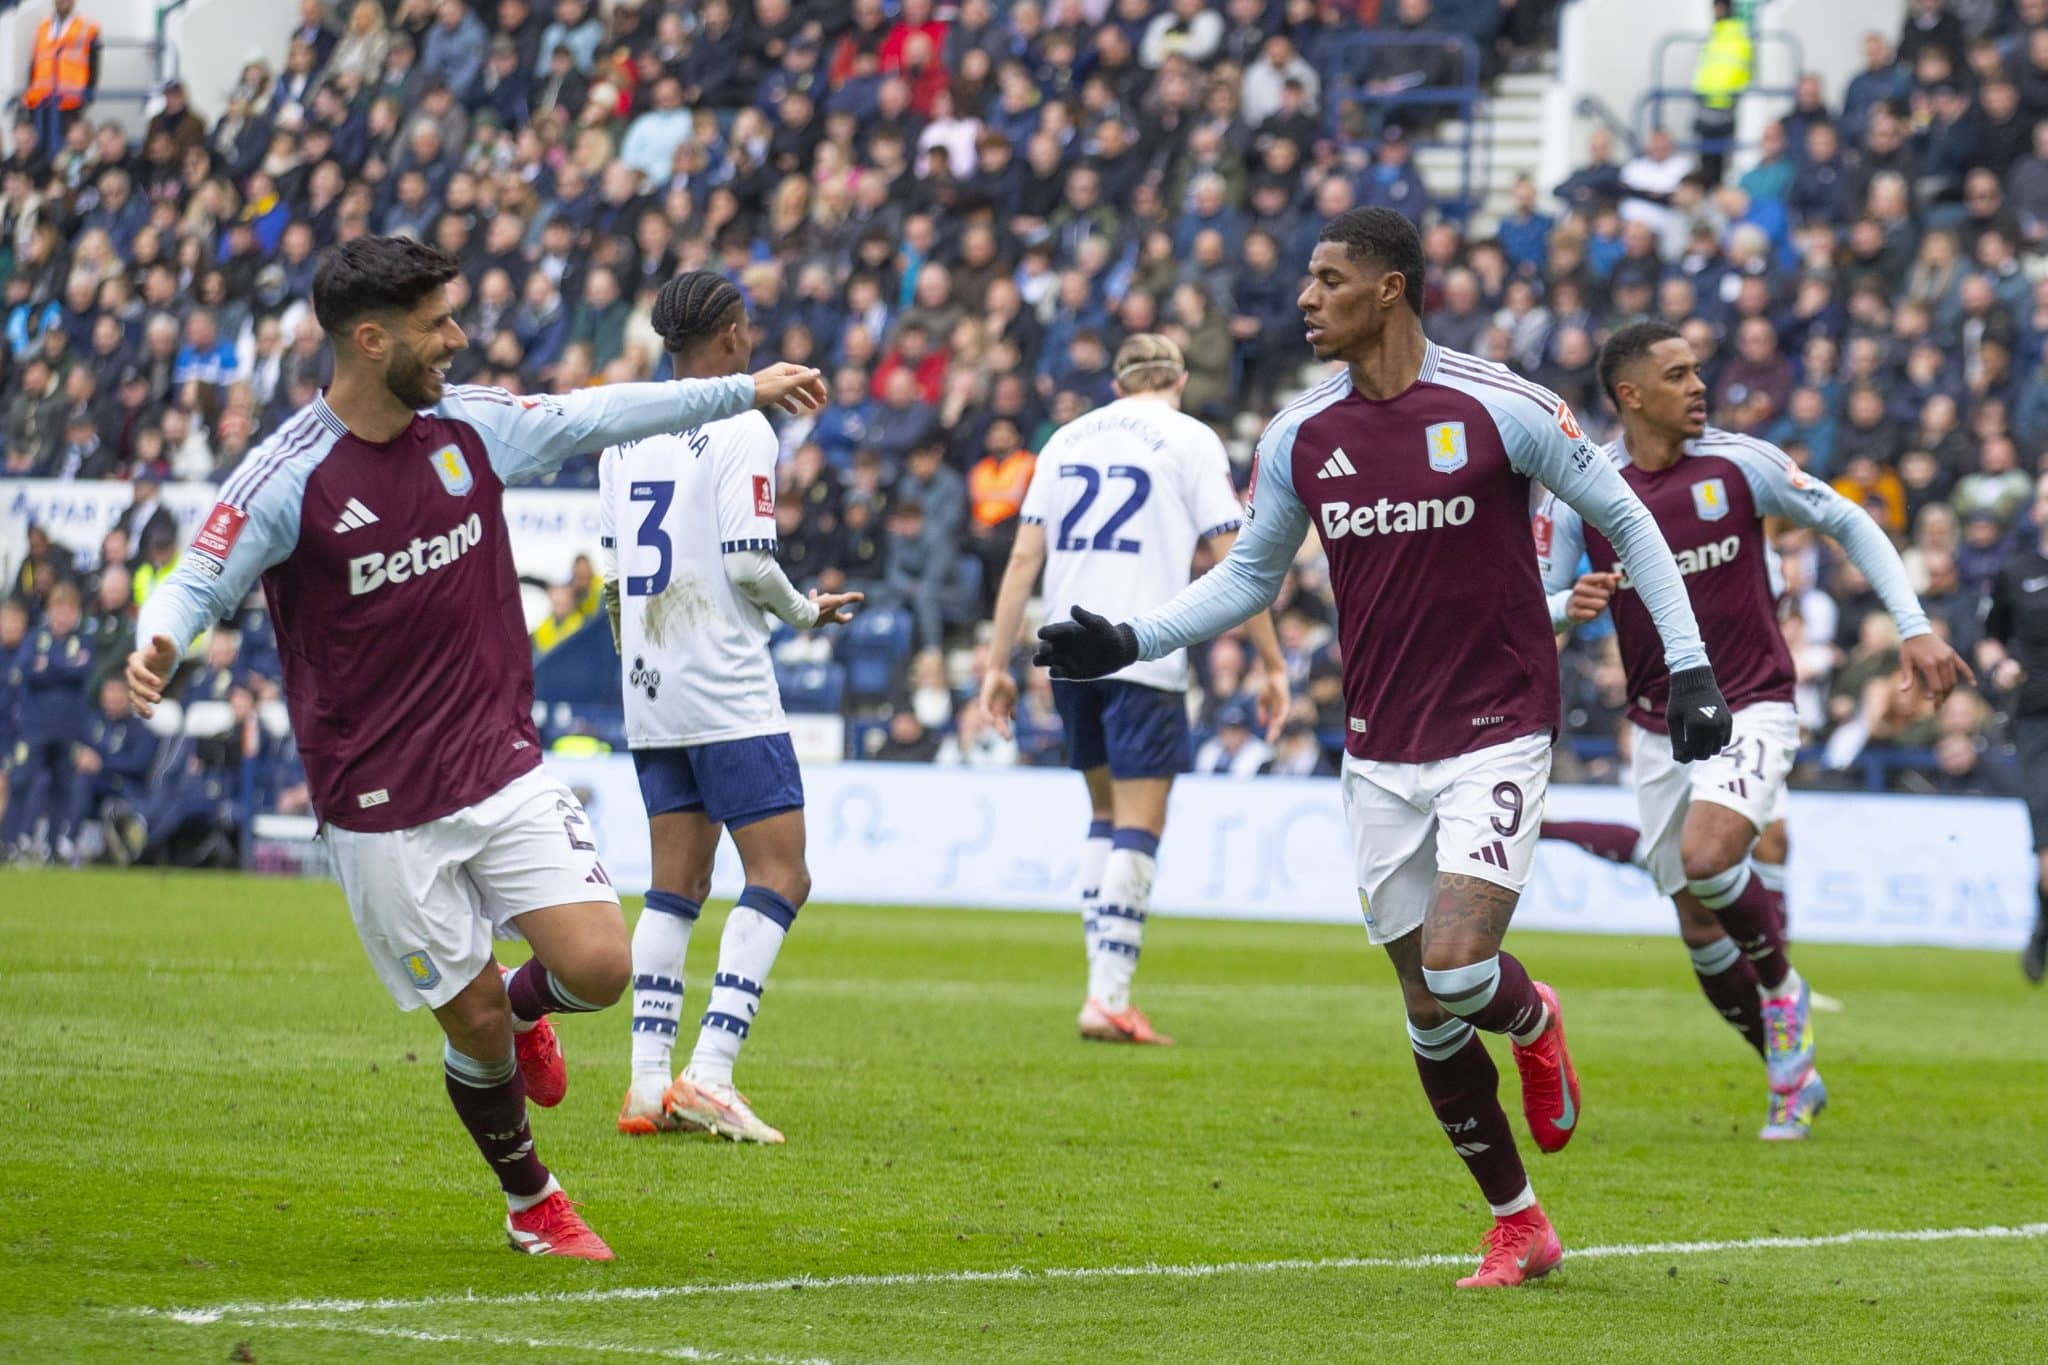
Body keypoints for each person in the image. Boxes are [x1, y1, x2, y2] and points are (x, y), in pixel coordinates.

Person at [1033, 208, 1732, 1288]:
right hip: (1379, 746)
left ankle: (1533, 1015)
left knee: (1459, 968)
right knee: (1425, 1008)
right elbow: (1249, 576)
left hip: (1497, 727)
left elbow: (1627, 520)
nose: (1305, 298)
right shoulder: (1298, 435)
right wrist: (1130, 638)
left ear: (1390, 289)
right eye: (1308, 279)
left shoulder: (1500, 406)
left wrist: (1687, 665)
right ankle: (1518, 1222)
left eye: (1328, 279)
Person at [124, 236, 825, 1260]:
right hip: (379, 805)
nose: (456, 338)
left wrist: (739, 391)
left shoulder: (470, 426)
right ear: (372, 340)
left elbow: (595, 413)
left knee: (600, 965)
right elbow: (201, 572)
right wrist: (161, 638)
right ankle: (531, 1198)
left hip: (498, 763)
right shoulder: (290, 474)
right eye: (436, 324)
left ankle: (532, 1011)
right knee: (478, 1029)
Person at [1535, 321, 1969, 1140]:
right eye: (1677, 375)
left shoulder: (1740, 464)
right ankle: (1788, 1064)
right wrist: (1568, 604)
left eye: (1698, 369)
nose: (1699, 385)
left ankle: (1782, 990)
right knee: (1699, 927)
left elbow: (1848, 521)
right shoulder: (1581, 493)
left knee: (1708, 858)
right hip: (1656, 725)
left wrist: (1913, 625)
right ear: (1630, 395)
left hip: (1753, 702)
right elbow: (1535, 604)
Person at [600, 271, 858, 1144]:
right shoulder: (744, 423)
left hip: (649, 688)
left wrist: (642, 670)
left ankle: (647, 1083)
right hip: (724, 682)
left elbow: (612, 580)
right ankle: (709, 1070)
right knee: (782, 872)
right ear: (733, 336)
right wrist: (805, 612)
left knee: (674, 885)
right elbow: (748, 562)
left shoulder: (624, 432)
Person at [981, 333, 1288, 1046]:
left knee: (1102, 814)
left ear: (1117, 385)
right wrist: (1272, 662)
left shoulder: (1063, 440)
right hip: (1144, 648)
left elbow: (1024, 556)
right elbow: (1235, 555)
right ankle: (1109, 995)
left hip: (1067, 652)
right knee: (1139, 825)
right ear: (1177, 381)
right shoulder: (1190, 438)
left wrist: (997, 664)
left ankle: (1102, 985)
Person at [1977, 472, 2048, 983]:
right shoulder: (2015, 572)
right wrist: (2000, 667)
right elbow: (1989, 638)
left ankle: (2043, 925)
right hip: (2037, 720)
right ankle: (2042, 929)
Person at [22, 0, 101, 159]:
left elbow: (93, 64)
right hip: (41, 101)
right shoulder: (43, 27)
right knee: (40, 149)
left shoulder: (87, 26)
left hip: (70, 101)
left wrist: (88, 96)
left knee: (65, 149)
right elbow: (35, 62)